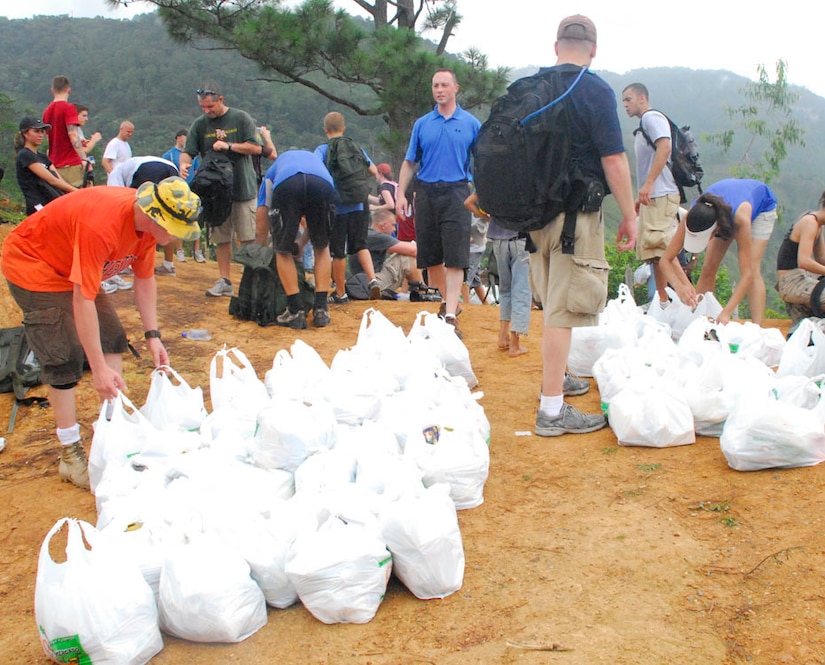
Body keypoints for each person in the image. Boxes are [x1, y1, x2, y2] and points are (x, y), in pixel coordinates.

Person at [1, 176, 202, 489]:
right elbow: (83, 299)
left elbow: (145, 280)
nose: (177, 239)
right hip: (35, 264)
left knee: (111, 335)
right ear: (155, 217)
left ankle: (111, 430)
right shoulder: (103, 225)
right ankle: (70, 453)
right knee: (62, 353)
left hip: (72, 265)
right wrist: (97, 369)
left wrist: (153, 336)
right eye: (175, 231)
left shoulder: (148, 231)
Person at [530, 15, 637, 437]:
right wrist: (629, 214)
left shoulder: (533, 87)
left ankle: (556, 382)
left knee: (554, 306)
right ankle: (552, 411)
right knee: (563, 310)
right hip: (575, 217)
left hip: (534, 218)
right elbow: (613, 159)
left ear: (556, 46)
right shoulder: (594, 89)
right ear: (593, 50)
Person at [396, 69, 480, 339]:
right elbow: (410, 161)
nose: (439, 89)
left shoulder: (470, 123)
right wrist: (400, 195)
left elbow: (482, 162)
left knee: (456, 256)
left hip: (458, 192)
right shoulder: (422, 124)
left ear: (456, 88)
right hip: (426, 191)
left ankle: (452, 314)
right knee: (431, 258)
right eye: (435, 85)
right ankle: (449, 302)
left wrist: (482, 195)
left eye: (445, 85)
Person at [180, 83, 262, 297]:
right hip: (215, 193)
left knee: (247, 237)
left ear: (220, 99)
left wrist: (229, 146)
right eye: (203, 107)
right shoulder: (200, 125)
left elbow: (256, 148)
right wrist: (184, 164)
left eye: (210, 106)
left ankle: (249, 282)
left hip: (242, 188)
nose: (207, 111)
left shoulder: (241, 118)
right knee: (221, 237)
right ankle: (224, 280)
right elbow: (188, 151)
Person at [659, 178, 778, 324]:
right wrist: (679, 287)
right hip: (724, 209)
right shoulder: (694, 215)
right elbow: (665, 259)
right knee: (708, 268)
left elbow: (747, 275)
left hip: (761, 207)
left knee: (752, 269)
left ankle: (756, 327)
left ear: (715, 230)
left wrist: (726, 312)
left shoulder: (740, 219)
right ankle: (701, 320)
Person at [255, 149, 335, 329]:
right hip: (322, 184)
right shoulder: (319, 165)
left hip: (288, 184)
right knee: (322, 247)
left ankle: (294, 311)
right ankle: (321, 309)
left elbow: (262, 213)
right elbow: (315, 228)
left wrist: (259, 249)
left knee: (282, 251)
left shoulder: (273, 171)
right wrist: (302, 242)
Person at [622, 83, 680, 309]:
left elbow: (665, 147)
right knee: (654, 253)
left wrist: (648, 184)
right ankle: (662, 302)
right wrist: (642, 194)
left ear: (642, 98)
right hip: (653, 196)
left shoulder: (651, 118)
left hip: (661, 193)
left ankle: (687, 298)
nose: (625, 105)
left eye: (628, 99)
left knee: (663, 251)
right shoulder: (643, 124)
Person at [314, 111, 381, 304]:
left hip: (338, 206)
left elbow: (317, 171)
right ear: (344, 128)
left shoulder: (323, 149)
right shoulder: (354, 146)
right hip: (359, 204)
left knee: (338, 251)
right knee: (360, 245)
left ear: (325, 130)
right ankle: (372, 279)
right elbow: (373, 171)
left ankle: (341, 293)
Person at [466, 192, 531, 356]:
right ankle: (515, 344)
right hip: (521, 239)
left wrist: (490, 219)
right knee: (521, 290)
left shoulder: (492, 178)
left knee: (505, 288)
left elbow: (469, 203)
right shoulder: (523, 178)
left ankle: (503, 336)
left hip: (498, 241)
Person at [348, 208, 422, 297]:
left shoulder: (368, 234)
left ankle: (406, 293)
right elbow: (414, 250)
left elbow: (393, 250)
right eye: (393, 225)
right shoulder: (378, 237)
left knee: (404, 254)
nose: (394, 229)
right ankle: (421, 292)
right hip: (372, 282)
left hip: (361, 282)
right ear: (384, 225)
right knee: (406, 258)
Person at [776, 192, 825, 324]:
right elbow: (804, 261)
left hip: (802, 278)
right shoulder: (810, 223)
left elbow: (821, 258)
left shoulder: (818, 224)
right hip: (791, 281)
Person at [14, 116, 77, 215]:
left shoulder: (43, 157)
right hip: (37, 205)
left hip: (51, 201)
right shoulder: (25, 155)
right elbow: (52, 180)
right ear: (25, 134)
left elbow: (58, 179)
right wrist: (76, 191)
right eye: (36, 131)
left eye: (42, 132)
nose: (40, 135)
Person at [162, 130, 205, 264]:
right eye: (183, 138)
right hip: (176, 191)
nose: (185, 141)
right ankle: (179, 251)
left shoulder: (193, 156)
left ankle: (197, 252)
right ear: (177, 138)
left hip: (192, 190)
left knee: (195, 218)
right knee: (177, 219)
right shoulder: (168, 155)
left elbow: (197, 171)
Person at [42, 75, 88, 187]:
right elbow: (72, 134)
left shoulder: (47, 112)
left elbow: (49, 138)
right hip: (71, 164)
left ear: (52, 90)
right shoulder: (69, 108)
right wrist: (83, 158)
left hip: (54, 165)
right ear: (69, 90)